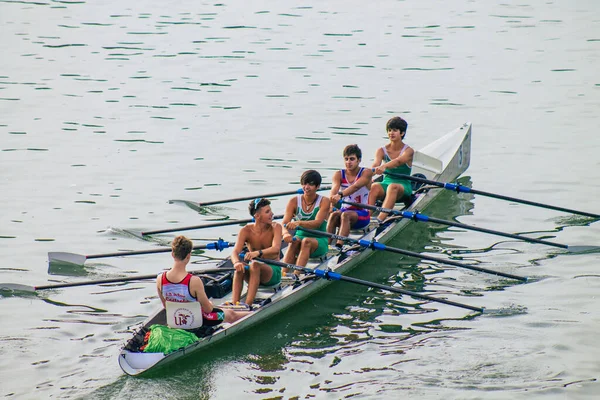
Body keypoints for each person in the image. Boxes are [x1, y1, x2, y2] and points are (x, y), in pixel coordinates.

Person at [156, 235, 249, 328]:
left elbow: (166, 306)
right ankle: (253, 314)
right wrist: (210, 304)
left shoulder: (160, 279)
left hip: (176, 319)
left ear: (172, 254)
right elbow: (208, 310)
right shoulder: (194, 281)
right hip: (201, 320)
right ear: (188, 256)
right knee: (231, 314)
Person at [230, 198, 282, 308]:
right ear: (257, 216)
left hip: (273, 272)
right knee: (241, 267)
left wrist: (257, 253)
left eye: (270, 210)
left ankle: (247, 305)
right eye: (267, 212)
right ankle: (234, 304)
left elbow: (276, 249)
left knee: (254, 264)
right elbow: (235, 251)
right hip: (255, 271)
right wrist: (236, 263)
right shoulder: (246, 230)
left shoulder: (276, 227)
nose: (272, 214)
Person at [282, 170, 330, 273]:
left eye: (311, 184)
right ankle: (283, 274)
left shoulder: (324, 201)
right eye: (304, 183)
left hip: (319, 240)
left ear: (317, 187)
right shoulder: (293, 201)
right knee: (294, 241)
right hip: (300, 238)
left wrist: (298, 223)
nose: (306, 187)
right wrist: (285, 233)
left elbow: (317, 223)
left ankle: (296, 275)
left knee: (306, 241)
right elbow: (284, 223)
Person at [368, 116, 414, 224]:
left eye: (394, 130)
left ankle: (379, 220)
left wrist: (384, 167)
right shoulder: (381, 150)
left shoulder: (408, 151)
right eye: (389, 130)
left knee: (393, 187)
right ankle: (366, 217)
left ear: (402, 133)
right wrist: (368, 176)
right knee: (374, 186)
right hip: (386, 183)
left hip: (403, 186)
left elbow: (398, 161)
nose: (391, 133)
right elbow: (375, 165)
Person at [328, 144, 373, 249]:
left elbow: (355, 187)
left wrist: (340, 195)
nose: (348, 162)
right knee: (334, 215)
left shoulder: (366, 173)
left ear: (359, 160)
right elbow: (334, 189)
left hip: (363, 215)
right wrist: (331, 203)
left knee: (345, 215)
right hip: (345, 210)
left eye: (352, 159)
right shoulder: (338, 174)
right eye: (346, 159)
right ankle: (327, 245)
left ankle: (339, 246)